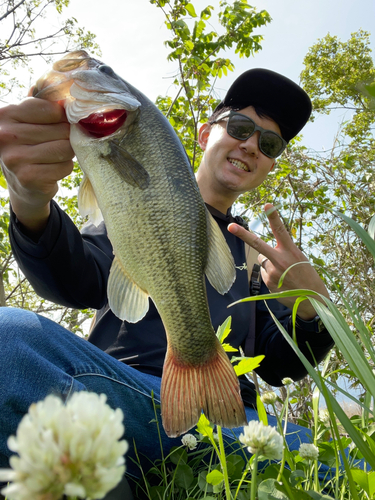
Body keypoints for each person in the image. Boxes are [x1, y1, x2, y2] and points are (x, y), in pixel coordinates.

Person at [0, 68, 333, 491]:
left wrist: (312, 309)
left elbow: (278, 364)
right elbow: (74, 277)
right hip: (118, 392)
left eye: (268, 144)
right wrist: (29, 203)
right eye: (241, 126)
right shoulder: (128, 208)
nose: (250, 145)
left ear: (269, 165)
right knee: (6, 339)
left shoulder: (260, 261)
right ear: (203, 133)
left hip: (230, 427)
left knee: (355, 459)